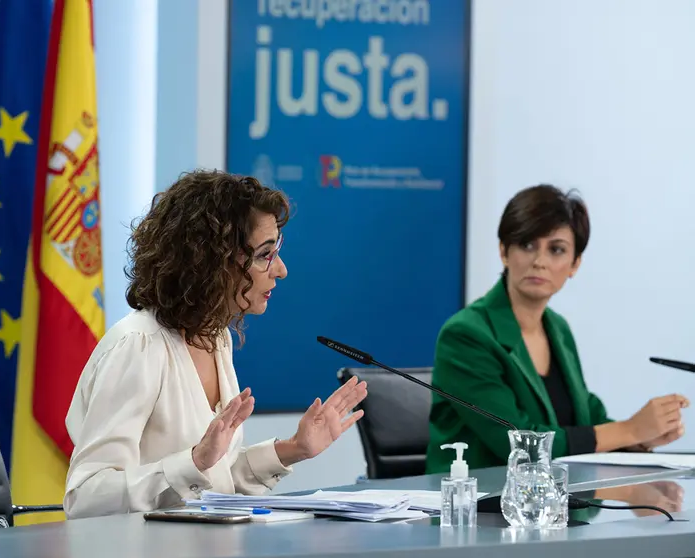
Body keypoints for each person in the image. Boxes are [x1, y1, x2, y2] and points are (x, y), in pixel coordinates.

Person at [63, 170, 368, 519]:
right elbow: (86, 498)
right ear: (212, 261)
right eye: (264, 254)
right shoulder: (139, 345)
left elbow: (209, 482)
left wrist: (293, 449)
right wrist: (193, 461)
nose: (280, 270)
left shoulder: (215, 337)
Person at [425, 184, 689, 473]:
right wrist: (629, 431)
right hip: (476, 507)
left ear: (574, 264)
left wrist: (640, 438)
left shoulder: (557, 328)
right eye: (527, 245)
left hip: (551, 502)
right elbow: (517, 443)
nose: (539, 262)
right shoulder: (466, 335)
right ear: (504, 252)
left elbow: (586, 414)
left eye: (556, 250)